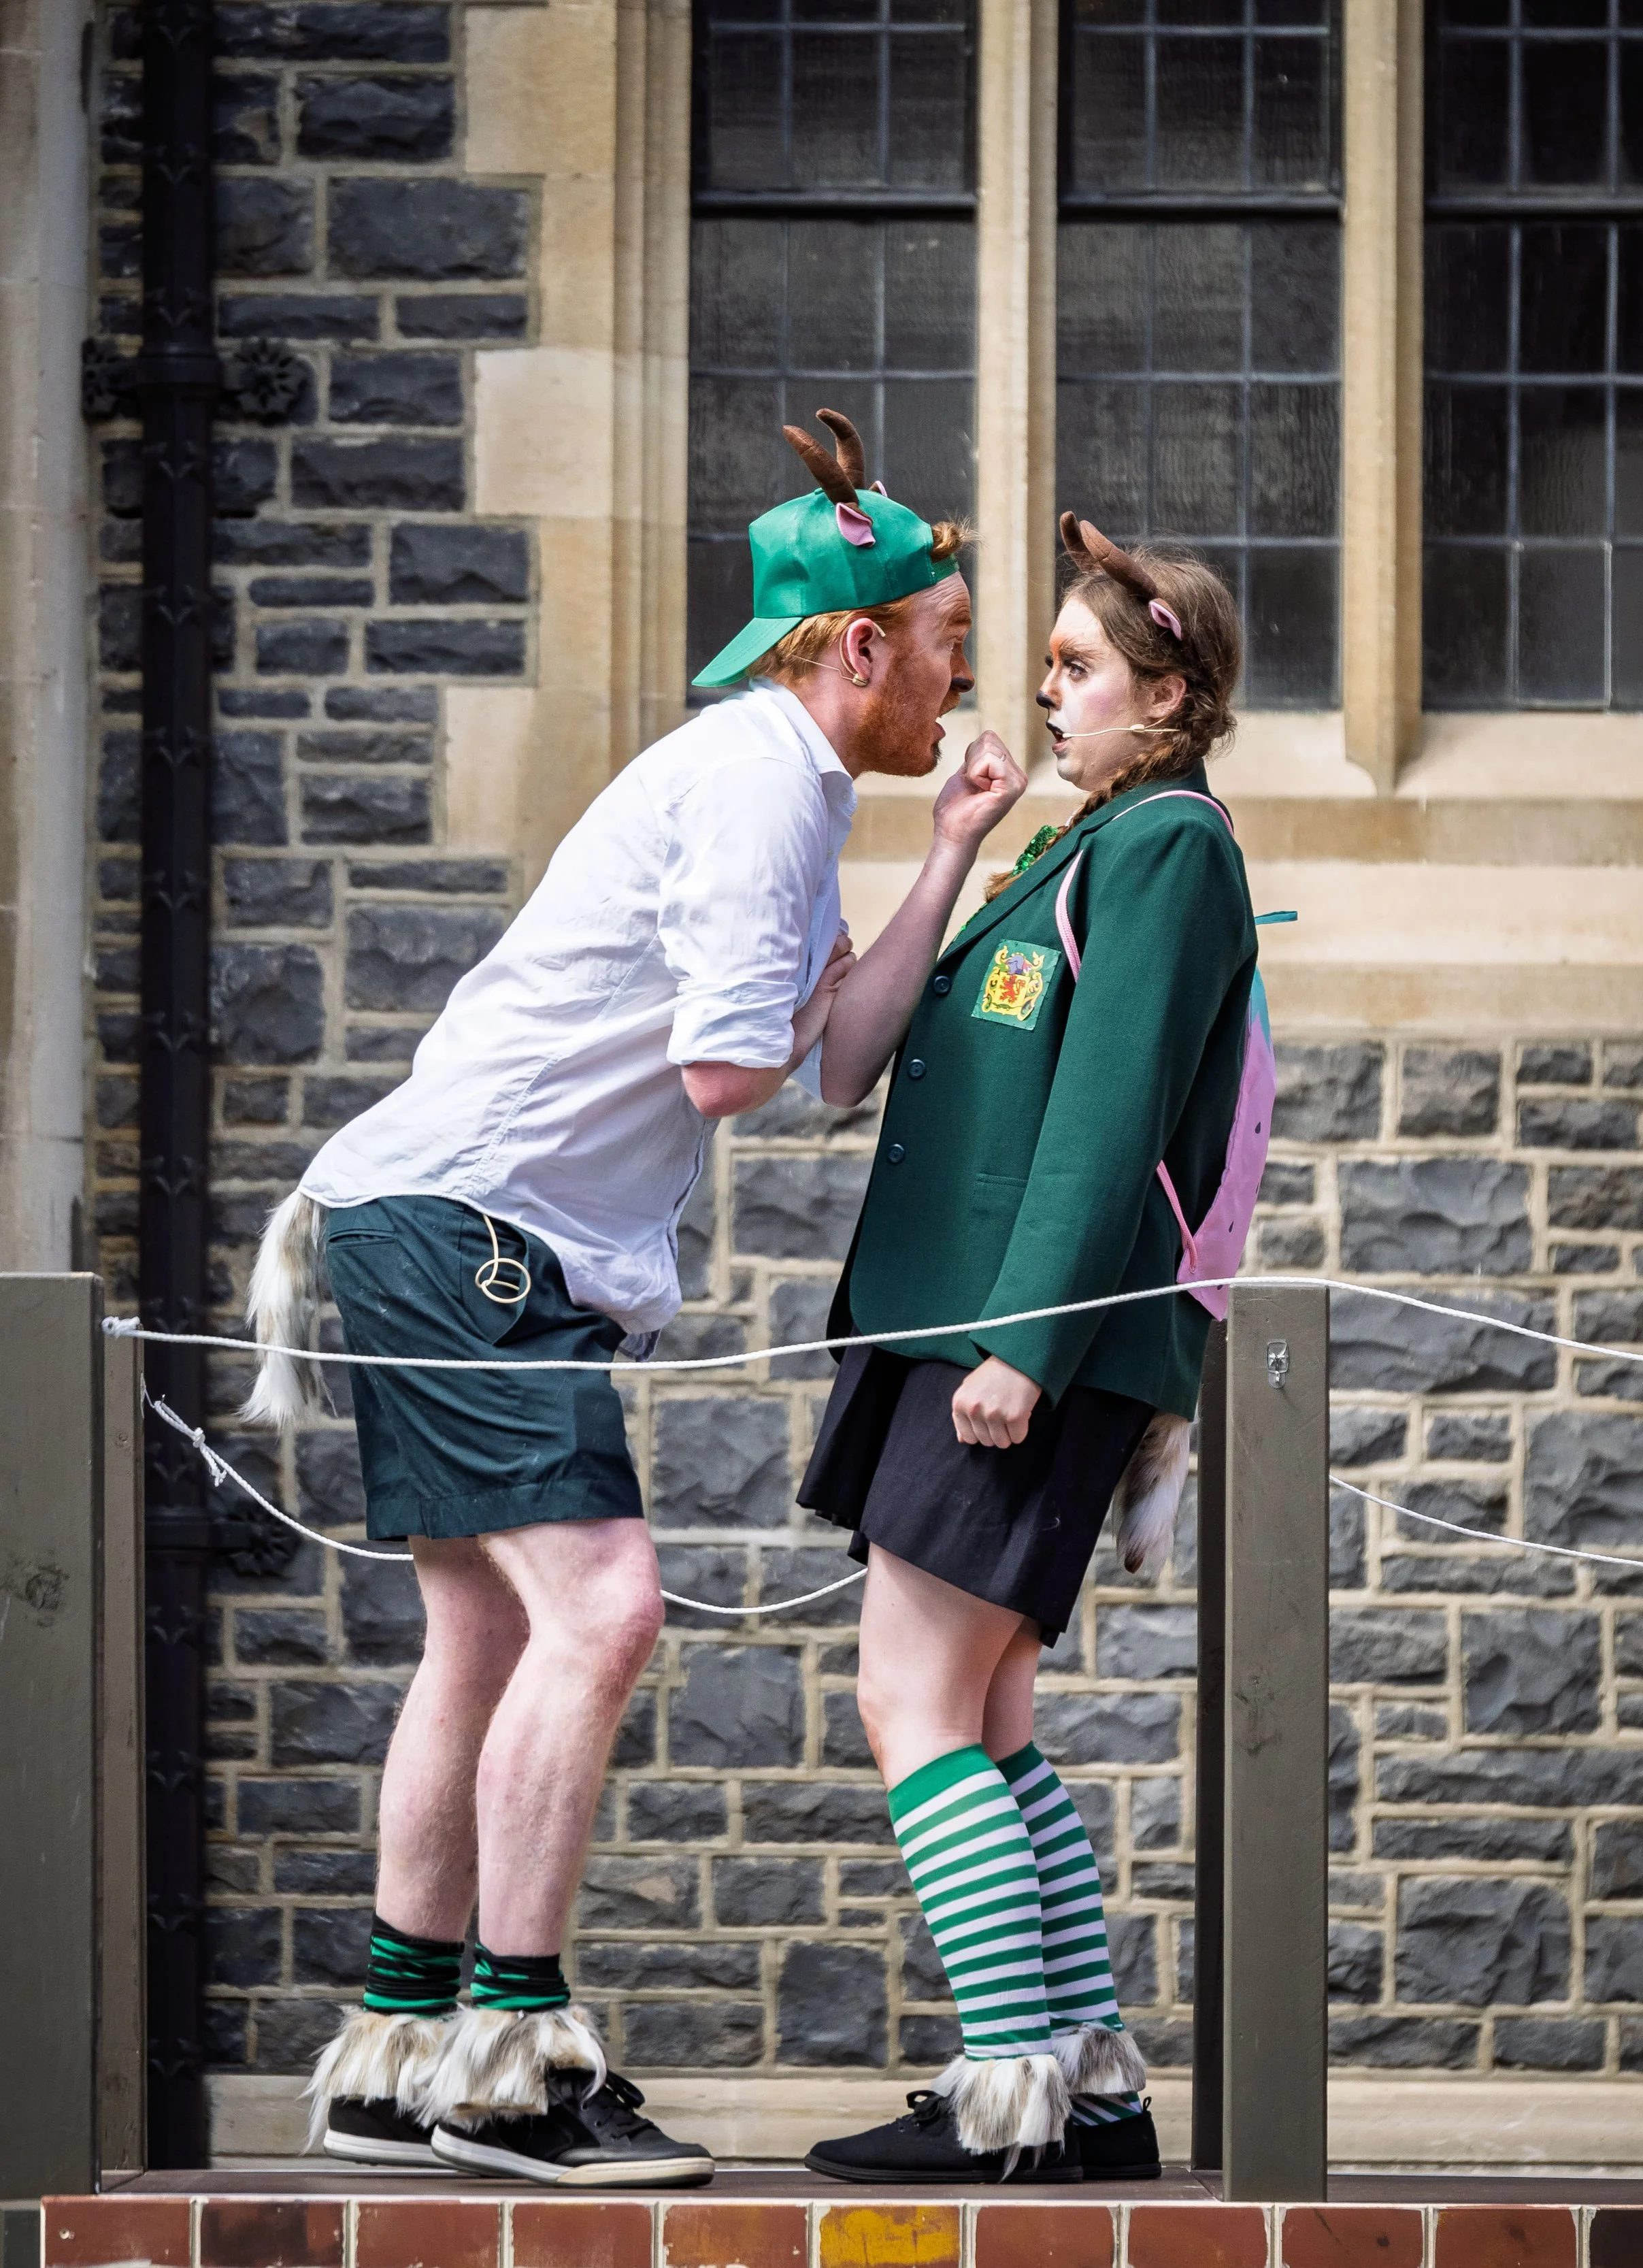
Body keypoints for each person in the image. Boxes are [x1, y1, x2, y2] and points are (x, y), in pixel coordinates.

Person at [242, 410, 1026, 2187]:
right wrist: (793, 970)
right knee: (602, 1610)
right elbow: (732, 1073)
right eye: (945, 646)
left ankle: (391, 2052)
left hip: (429, 1218)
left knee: (487, 1634)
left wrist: (951, 849)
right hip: (470, 1234)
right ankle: (511, 2067)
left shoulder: (783, 783)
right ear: (856, 645)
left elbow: (832, 1059)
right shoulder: (758, 785)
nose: (956, 679)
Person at [794, 515, 1259, 2184]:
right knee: (985, 1716)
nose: (1042, 690)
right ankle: (1092, 2093)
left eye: (1075, 668)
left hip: (1016, 1341)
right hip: (969, 1329)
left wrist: (1026, 1347)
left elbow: (1104, 1111)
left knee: (906, 1698)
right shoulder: (1086, 841)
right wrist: (959, 842)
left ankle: (1008, 2091)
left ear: (1167, 691)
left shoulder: (1165, 848)